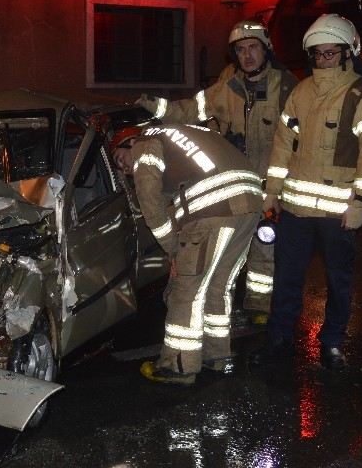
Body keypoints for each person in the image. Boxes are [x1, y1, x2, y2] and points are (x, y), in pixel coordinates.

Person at [251, 14, 362, 370]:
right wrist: (272, 191)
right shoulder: (300, 91)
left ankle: (332, 342)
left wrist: (360, 201)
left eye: (330, 53)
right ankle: (280, 338)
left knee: (338, 282)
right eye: (317, 54)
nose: (323, 59)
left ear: (348, 53)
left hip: (337, 212)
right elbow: (283, 144)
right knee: (286, 278)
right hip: (296, 211)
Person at [136, 21, 298, 326]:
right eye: (240, 49)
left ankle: (259, 305)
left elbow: (295, 143)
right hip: (237, 184)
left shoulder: (287, 88)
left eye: (253, 48)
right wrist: (154, 106)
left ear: (266, 49)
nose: (247, 55)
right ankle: (223, 307)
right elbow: (188, 110)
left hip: (270, 184)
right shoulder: (228, 88)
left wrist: (277, 189)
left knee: (265, 244)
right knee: (231, 252)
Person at [111, 123, 263, 384]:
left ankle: (178, 366)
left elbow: (151, 202)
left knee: (187, 289)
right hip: (249, 206)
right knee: (218, 287)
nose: (124, 168)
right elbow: (176, 195)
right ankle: (216, 356)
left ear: (130, 142)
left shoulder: (146, 145)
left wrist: (173, 249)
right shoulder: (181, 135)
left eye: (120, 158)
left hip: (215, 209)